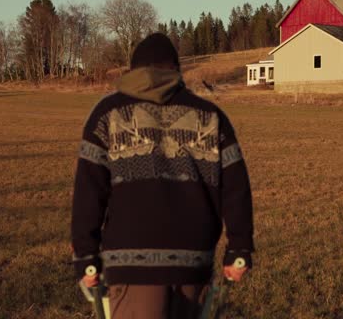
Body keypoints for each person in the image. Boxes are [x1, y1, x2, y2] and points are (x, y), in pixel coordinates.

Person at [71, 33, 254, 319]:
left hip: (130, 269)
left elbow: (88, 193)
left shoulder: (107, 114)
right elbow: (236, 189)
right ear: (176, 70)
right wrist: (239, 248)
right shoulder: (211, 116)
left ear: (133, 71)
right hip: (194, 265)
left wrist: (85, 255)